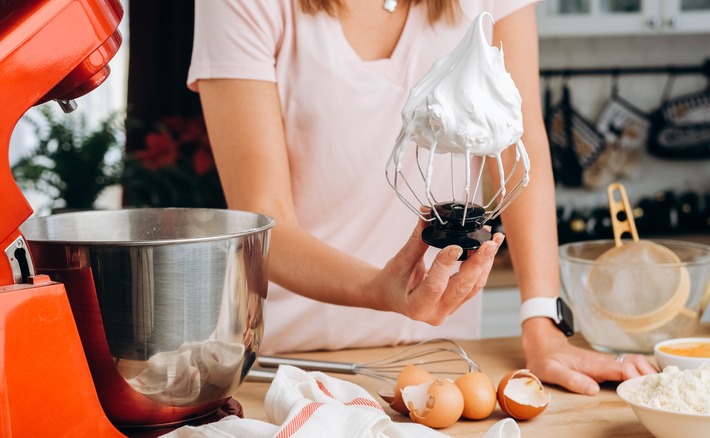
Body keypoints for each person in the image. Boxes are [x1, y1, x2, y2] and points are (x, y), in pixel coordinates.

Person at [187, 0, 655, 395]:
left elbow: (520, 146)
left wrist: (542, 322)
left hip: (443, 362)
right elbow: (265, 221)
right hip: (290, 366)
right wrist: (380, 291)